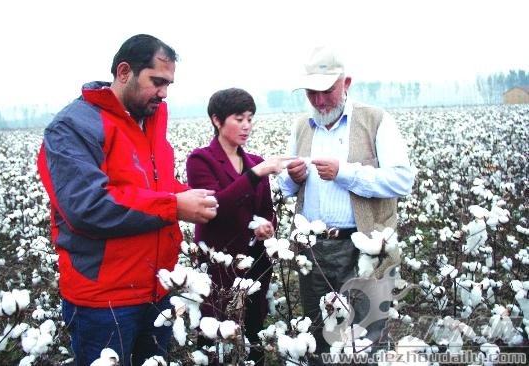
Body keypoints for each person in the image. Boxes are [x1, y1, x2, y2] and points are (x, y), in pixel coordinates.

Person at [37, 34, 218, 366]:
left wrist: (189, 196)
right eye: (157, 81)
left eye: (169, 84)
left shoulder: (149, 120)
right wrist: (175, 206)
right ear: (124, 72)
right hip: (104, 301)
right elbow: (87, 207)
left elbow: (152, 185)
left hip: (157, 289)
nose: (164, 93)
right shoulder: (72, 127)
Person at [277, 46, 416, 361]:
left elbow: (402, 180)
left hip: (362, 248)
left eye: (327, 91)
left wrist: (346, 173)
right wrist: (292, 177)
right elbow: (284, 186)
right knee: (318, 333)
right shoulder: (302, 126)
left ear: (347, 83)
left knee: (364, 336)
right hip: (312, 250)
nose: (320, 101)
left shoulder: (375, 120)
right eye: (312, 93)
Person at [186, 88, 288, 365]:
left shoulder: (255, 161)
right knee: (213, 330)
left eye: (250, 119)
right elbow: (214, 207)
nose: (246, 126)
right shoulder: (201, 160)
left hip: (256, 261)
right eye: (238, 118)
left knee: (253, 330)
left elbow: (267, 211)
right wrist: (256, 175)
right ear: (217, 120)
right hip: (220, 265)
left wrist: (267, 227)